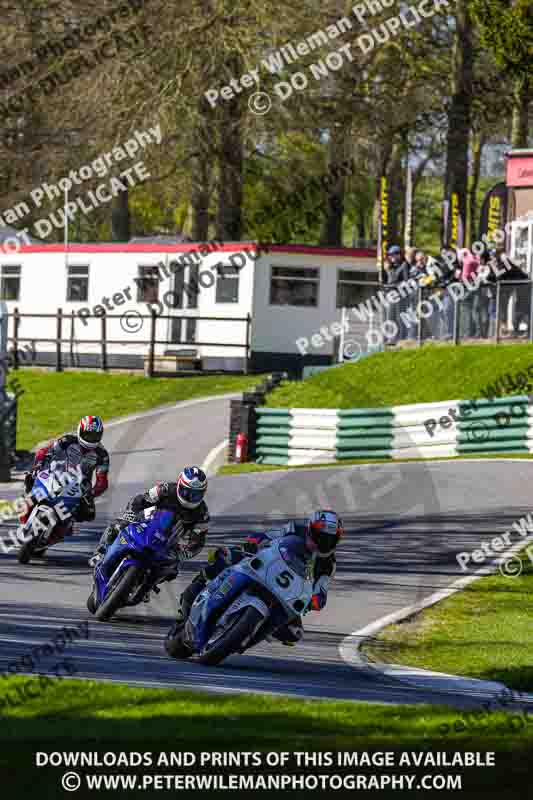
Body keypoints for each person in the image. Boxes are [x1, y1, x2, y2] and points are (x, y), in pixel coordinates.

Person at [170, 509, 344, 650]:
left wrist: (315, 600)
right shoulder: (296, 528)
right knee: (227, 557)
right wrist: (251, 544)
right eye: (319, 536)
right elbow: (268, 536)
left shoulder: (329, 563)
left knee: (294, 633)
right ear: (309, 529)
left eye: (329, 540)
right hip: (266, 567)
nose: (322, 543)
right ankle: (196, 589)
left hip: (287, 593)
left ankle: (245, 638)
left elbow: (321, 589)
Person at [89, 467, 209, 577]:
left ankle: (146, 587)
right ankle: (100, 552)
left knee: (172, 572)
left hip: (170, 542)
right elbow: (140, 499)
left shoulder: (202, 514)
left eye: (196, 495)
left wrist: (184, 553)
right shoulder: (165, 489)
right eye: (187, 492)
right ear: (179, 485)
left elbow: (199, 541)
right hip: (148, 523)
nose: (191, 498)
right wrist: (130, 514)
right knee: (117, 525)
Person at [21, 416, 109, 544]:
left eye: (94, 435)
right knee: (30, 479)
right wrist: (38, 465)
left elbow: (102, 482)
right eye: (88, 434)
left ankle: (61, 531)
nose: (90, 438)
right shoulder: (67, 440)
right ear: (80, 430)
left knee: (87, 513)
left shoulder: (102, 455)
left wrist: (91, 494)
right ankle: (25, 518)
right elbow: (44, 451)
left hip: (79, 487)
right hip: (58, 475)